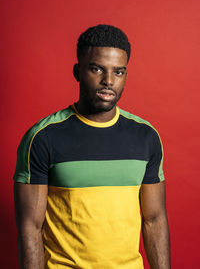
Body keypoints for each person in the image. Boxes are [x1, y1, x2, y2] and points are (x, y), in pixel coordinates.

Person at [13, 24, 171, 269]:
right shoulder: (44, 137)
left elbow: (154, 219)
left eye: (118, 72)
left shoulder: (146, 137)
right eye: (97, 69)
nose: (108, 81)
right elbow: (30, 228)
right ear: (78, 71)